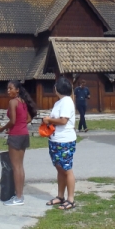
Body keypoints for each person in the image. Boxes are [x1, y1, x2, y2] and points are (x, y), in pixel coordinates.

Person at [0, 80, 37, 206]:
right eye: (7, 89)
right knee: (20, 166)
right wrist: (21, 125)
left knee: (16, 167)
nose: (8, 91)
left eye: (10, 88)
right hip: (24, 134)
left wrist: (2, 129)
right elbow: (28, 118)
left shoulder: (13, 102)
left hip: (15, 136)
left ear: (17, 90)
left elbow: (12, 121)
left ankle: (18, 198)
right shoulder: (23, 101)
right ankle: (19, 195)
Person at [43, 76, 77, 210]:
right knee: (59, 168)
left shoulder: (67, 101)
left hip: (65, 140)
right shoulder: (59, 102)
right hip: (55, 139)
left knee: (67, 169)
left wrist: (49, 120)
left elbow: (63, 121)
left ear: (58, 88)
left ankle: (71, 199)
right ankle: (60, 196)